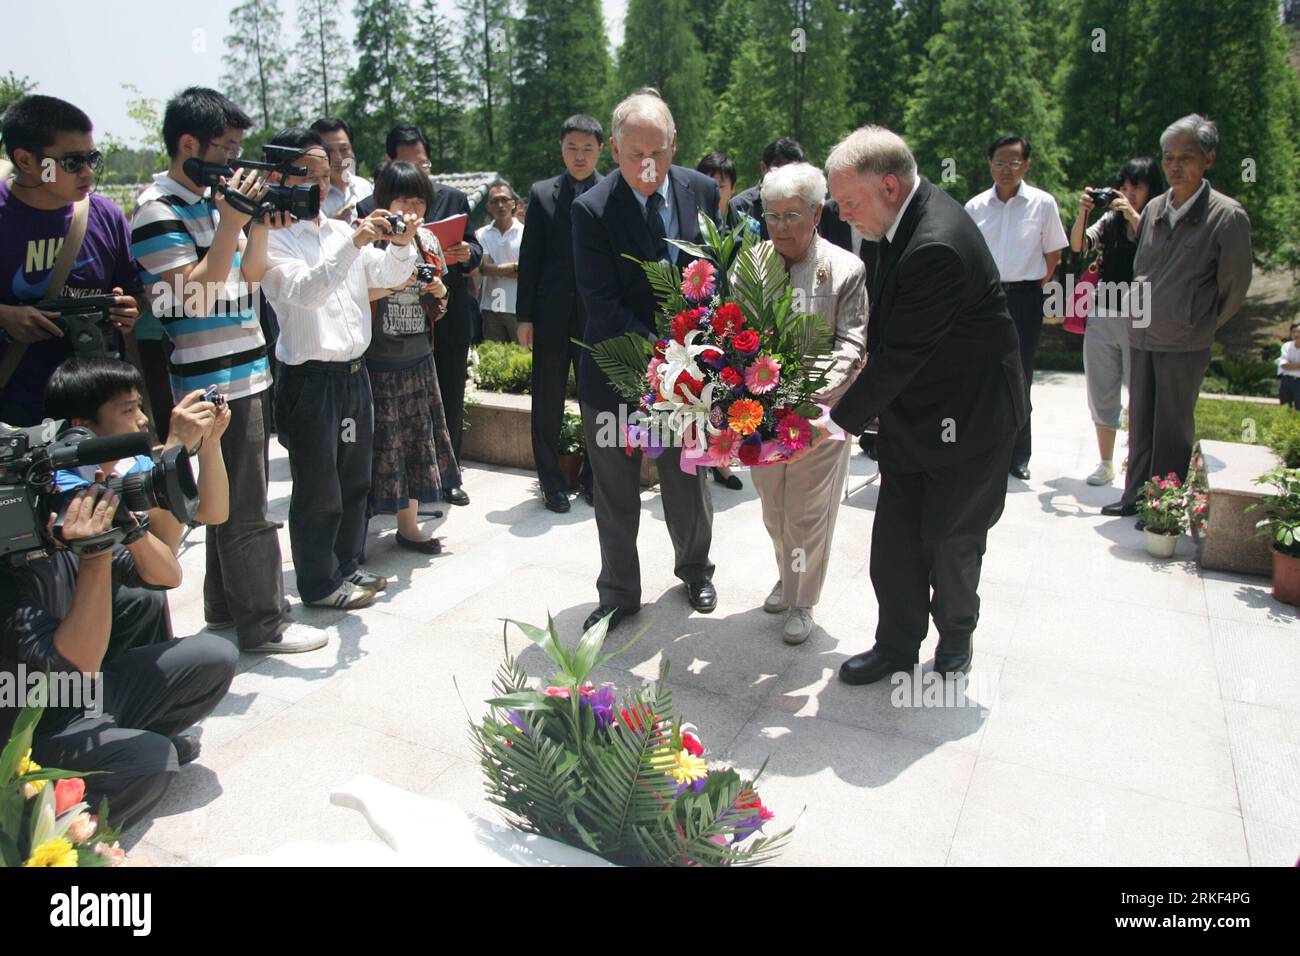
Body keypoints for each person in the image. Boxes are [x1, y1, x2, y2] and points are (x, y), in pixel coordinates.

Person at [826, 125, 1026, 686]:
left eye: (848, 203)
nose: (843, 218)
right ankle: (895, 646)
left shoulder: (935, 242)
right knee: (895, 541)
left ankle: (956, 636)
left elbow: (901, 356)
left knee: (950, 538)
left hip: (972, 417)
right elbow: (890, 339)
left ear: (888, 186)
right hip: (920, 411)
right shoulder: (897, 220)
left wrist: (833, 422)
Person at [130, 87, 304, 654]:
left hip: (248, 369)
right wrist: (231, 220)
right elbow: (190, 299)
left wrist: (254, 224)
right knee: (244, 509)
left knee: (228, 503)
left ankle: (225, 608)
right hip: (209, 381)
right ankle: (265, 624)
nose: (235, 163)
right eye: (227, 150)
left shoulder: (214, 198)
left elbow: (249, 279)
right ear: (188, 145)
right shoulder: (156, 209)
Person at [0, 478, 236, 832]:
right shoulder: (11, 572)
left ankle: (114, 747)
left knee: (215, 656)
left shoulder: (54, 531)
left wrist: (129, 528)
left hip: (83, 698)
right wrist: (94, 553)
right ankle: (51, 832)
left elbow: (167, 575)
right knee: (153, 761)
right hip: (30, 732)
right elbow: (81, 664)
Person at [573, 90, 721, 633]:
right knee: (615, 490)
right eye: (635, 153)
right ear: (614, 149)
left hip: (688, 381)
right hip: (618, 373)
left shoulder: (701, 190)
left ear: (674, 144)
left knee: (688, 481)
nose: (647, 165)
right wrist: (667, 357)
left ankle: (696, 570)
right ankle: (618, 592)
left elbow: (717, 273)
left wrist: (701, 354)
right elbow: (603, 305)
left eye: (657, 152)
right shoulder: (591, 210)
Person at [259, 127, 420, 610]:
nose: (320, 185)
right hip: (309, 381)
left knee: (354, 479)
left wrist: (402, 243)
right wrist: (355, 241)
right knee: (318, 486)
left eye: (326, 175)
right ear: (278, 176)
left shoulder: (336, 230)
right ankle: (318, 582)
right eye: (309, 174)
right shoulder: (270, 240)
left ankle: (347, 564)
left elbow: (390, 277)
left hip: (353, 375)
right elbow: (306, 291)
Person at [1101, 114, 1253, 521]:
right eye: (1169, 157)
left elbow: (1233, 287)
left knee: (1172, 428)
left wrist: (1198, 321)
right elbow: (1141, 268)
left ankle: (1161, 507)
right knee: (1141, 422)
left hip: (1185, 339)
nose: (1174, 166)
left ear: (1209, 159)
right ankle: (1134, 495)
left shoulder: (1227, 215)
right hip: (1143, 333)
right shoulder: (1152, 207)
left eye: (1186, 157)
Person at [746, 163, 867, 644]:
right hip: (760, 415)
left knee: (807, 511)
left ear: (817, 213)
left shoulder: (845, 268)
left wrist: (810, 396)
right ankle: (787, 572)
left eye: (791, 216)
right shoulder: (751, 266)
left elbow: (852, 344)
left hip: (823, 416)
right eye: (771, 217)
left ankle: (803, 601)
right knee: (774, 507)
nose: (780, 227)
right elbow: (738, 333)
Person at [357, 126, 482, 507]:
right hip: (382, 342)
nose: (412, 209)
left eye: (421, 162)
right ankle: (383, 495)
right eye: (406, 162)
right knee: (386, 422)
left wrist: (466, 256)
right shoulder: (367, 214)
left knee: (445, 403)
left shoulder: (454, 198)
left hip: (437, 321)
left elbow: (475, 251)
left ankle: (446, 478)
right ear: (390, 165)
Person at [0, 95, 141, 426]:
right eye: (72, 162)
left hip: (103, 415)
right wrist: (6, 317)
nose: (88, 172)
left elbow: (136, 293)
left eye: (93, 157)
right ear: (25, 160)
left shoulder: (104, 214)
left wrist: (128, 309)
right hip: (17, 416)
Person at [43, 356, 230, 555]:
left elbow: (212, 513)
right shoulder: (64, 489)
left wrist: (210, 442)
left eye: (140, 407)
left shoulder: (130, 463)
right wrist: (174, 448)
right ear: (84, 426)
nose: (143, 419)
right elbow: (165, 561)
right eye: (129, 410)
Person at [364, 161, 459, 554]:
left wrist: (438, 290)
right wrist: (394, 282)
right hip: (374, 359)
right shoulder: (367, 238)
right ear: (386, 200)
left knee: (418, 442)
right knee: (380, 445)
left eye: (419, 202)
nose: (412, 211)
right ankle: (360, 528)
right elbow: (353, 295)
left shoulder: (430, 242)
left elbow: (443, 303)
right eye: (404, 200)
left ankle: (409, 526)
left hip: (419, 355)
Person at [964, 134, 1068, 481]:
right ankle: (983, 448)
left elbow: (1053, 255)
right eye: (998, 162)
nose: (1005, 169)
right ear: (989, 164)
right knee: (983, 375)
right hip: (985, 299)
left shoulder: (1043, 204)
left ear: (1026, 164)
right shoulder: (976, 206)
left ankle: (1018, 453)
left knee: (1019, 376)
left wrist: (1030, 287)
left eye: (1013, 162)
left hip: (1025, 298)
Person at [517, 115, 604, 514]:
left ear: (602, 150)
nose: (580, 155)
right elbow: (529, 257)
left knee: (597, 401)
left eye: (588, 148)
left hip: (597, 319)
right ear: (561, 149)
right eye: (572, 147)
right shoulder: (542, 194)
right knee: (547, 402)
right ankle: (551, 482)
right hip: (551, 316)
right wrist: (524, 317)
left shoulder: (612, 191)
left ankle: (593, 478)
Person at [1068, 157, 1164, 486]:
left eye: (1136, 187)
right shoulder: (1109, 220)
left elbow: (1155, 246)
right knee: (1101, 390)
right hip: (1104, 311)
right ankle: (1106, 462)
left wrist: (1132, 214)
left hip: (1142, 314)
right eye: (1123, 188)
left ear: (1152, 188)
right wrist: (1083, 212)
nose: (1128, 193)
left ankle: (1138, 464)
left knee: (1140, 391)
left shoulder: (1159, 217)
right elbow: (1078, 245)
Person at [694, 151, 746, 494]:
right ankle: (700, 456)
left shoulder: (746, 224)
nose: (715, 189)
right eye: (709, 182)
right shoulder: (690, 222)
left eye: (721, 184)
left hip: (735, 320)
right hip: (698, 321)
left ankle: (724, 462)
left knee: (729, 391)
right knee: (702, 393)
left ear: (732, 187)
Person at [475, 181, 523, 343]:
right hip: (491, 308)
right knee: (494, 361)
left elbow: (528, 272)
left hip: (520, 310)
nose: (500, 205)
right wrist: (516, 266)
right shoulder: (482, 234)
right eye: (495, 201)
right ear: (488, 206)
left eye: (504, 200)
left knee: (524, 360)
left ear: (513, 203)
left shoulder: (526, 233)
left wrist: (496, 269)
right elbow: (484, 269)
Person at [728, 137, 805, 238]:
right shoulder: (740, 206)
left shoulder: (806, 204)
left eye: (791, 169)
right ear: (763, 168)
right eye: (779, 168)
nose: (785, 175)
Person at [310, 117, 372, 224]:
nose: (338, 158)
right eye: (328, 151)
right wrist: (331, 225)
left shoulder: (365, 187)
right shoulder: (311, 195)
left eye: (343, 149)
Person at [1278, 320, 1300, 410]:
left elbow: (1287, 366)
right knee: (1285, 408)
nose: (1296, 334)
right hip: (1287, 381)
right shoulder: (1286, 346)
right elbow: (1283, 365)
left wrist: (1290, 365)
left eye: (1298, 332)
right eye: (1293, 332)